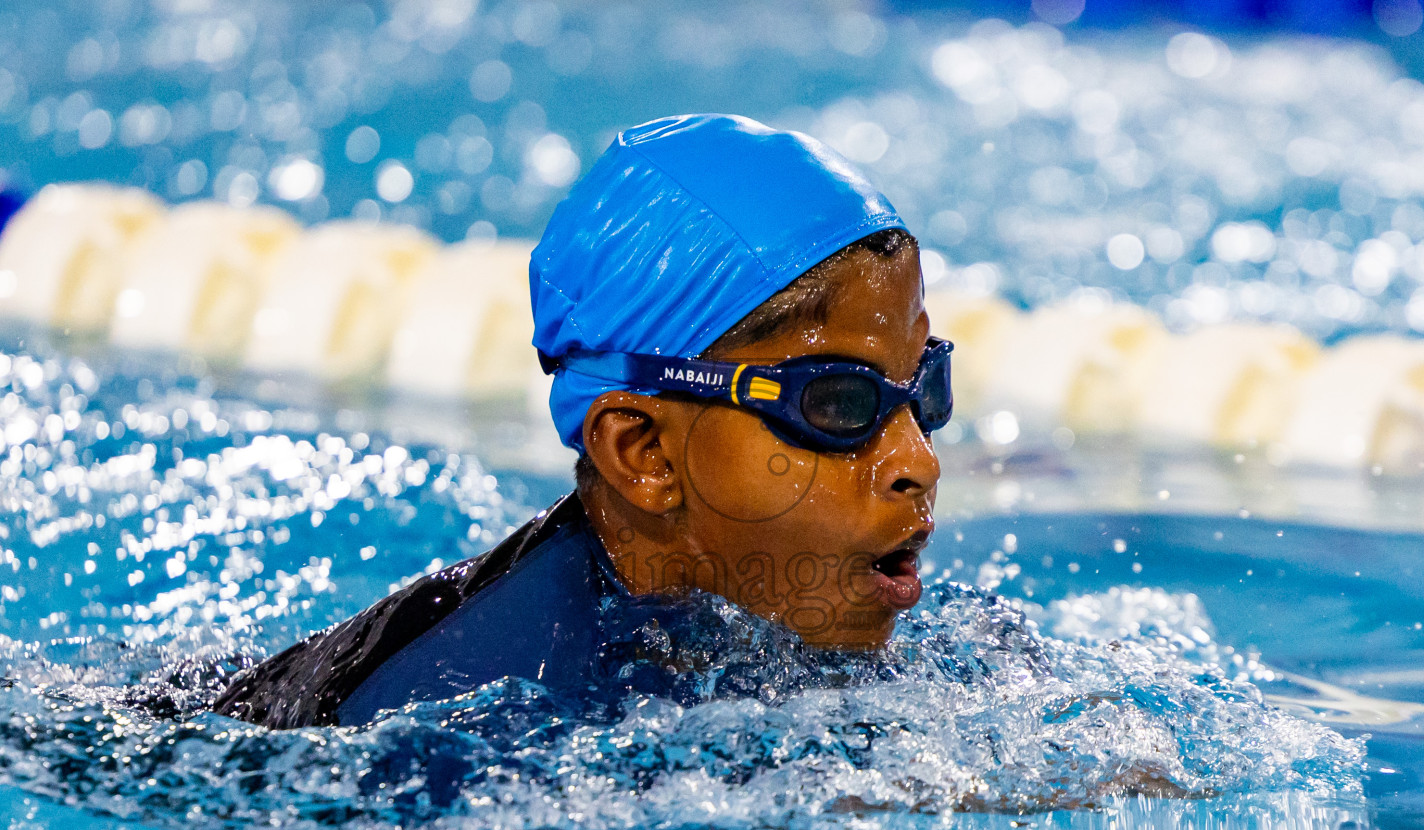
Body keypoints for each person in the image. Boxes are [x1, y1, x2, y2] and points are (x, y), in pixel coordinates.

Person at [214, 113, 947, 728]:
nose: (920, 461)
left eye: (924, 386)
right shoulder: (462, 712)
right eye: (841, 404)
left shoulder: (790, 604)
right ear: (645, 453)